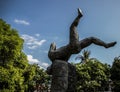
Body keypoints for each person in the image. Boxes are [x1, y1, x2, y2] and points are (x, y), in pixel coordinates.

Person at [48, 8, 116, 62]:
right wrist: (53, 47)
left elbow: (66, 58)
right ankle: (79, 16)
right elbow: (53, 44)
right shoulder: (51, 53)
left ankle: (106, 45)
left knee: (91, 39)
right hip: (73, 46)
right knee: (73, 27)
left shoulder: (57, 55)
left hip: (74, 49)